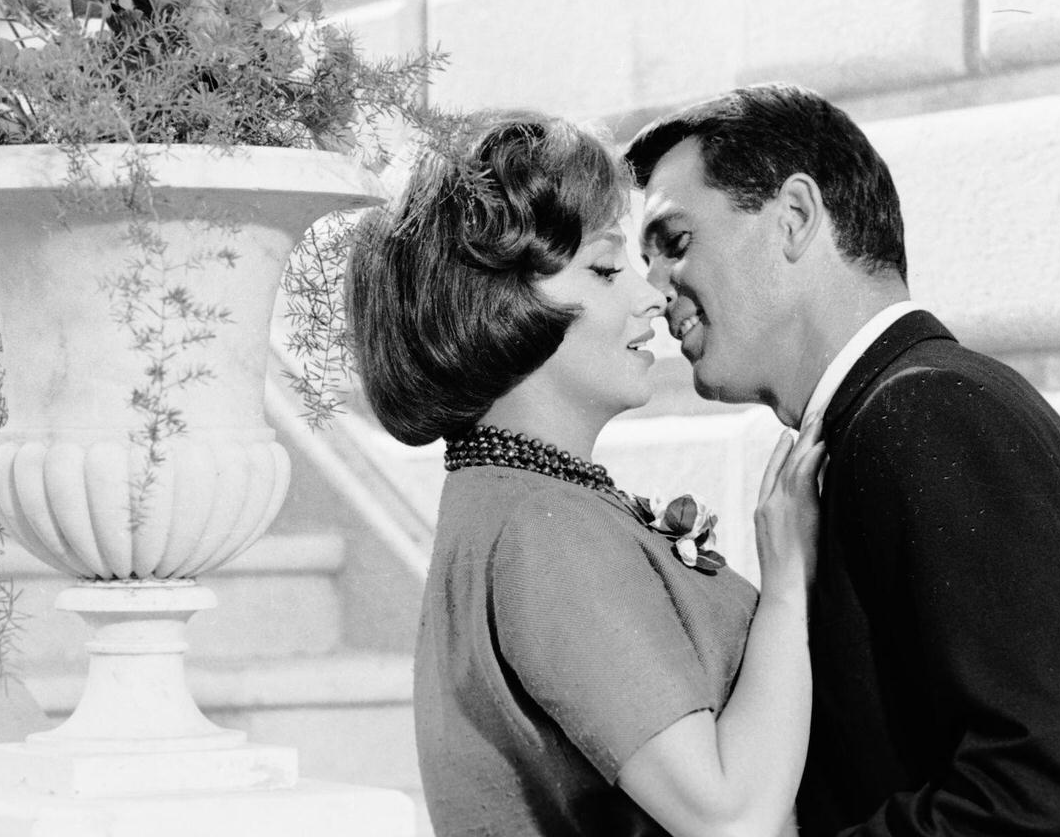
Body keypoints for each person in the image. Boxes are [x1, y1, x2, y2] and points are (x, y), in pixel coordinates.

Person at [625, 83, 1060, 837]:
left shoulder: (925, 413)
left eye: (676, 244)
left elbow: (1053, 800)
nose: (654, 291)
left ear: (794, 216)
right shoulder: (898, 413)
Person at [345, 113, 825, 837]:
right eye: (604, 269)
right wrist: (788, 590)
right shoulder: (543, 530)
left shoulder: (514, 503)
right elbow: (730, 817)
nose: (651, 295)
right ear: (499, 302)